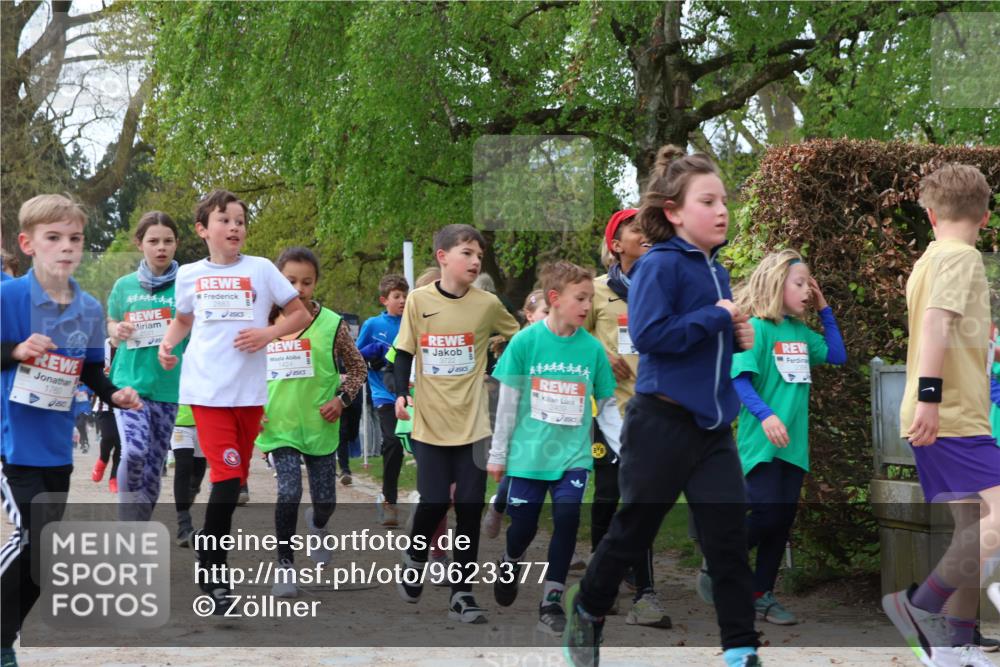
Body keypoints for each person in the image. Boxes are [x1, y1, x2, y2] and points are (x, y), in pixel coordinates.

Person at [563, 146, 761, 667]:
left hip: (713, 429)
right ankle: (587, 609)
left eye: (724, 200)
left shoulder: (716, 272)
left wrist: (735, 337)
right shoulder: (660, 264)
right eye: (707, 201)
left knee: (728, 542)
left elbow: (703, 337)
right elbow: (650, 335)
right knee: (633, 532)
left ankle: (741, 650)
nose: (722, 210)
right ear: (674, 212)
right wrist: (716, 320)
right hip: (661, 423)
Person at [0, 194, 142, 667]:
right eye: (53, 238)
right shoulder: (8, 297)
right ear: (28, 244)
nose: (66, 247)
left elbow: (91, 371)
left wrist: (115, 392)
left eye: (75, 239)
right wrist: (16, 350)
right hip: (12, 445)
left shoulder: (87, 307)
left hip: (57, 448)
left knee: (45, 554)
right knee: (37, 544)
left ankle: (2, 637)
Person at [158, 189, 311, 615]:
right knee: (226, 480)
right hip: (207, 392)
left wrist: (266, 334)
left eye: (240, 220)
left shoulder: (261, 270)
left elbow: (300, 314)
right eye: (224, 220)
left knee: (234, 480)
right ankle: (215, 574)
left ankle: (208, 552)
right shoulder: (188, 274)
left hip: (249, 395)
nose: (235, 227)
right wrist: (168, 345)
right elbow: (184, 318)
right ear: (203, 229)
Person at [882, 163, 1000, 667]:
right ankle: (917, 606)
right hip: (949, 414)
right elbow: (935, 326)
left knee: (972, 532)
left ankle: (958, 643)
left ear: (930, 214)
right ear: (987, 214)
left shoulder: (930, 258)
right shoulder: (962, 256)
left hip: (950, 411)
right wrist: (931, 397)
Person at [393, 224, 519, 624]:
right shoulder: (418, 300)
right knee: (433, 502)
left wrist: (507, 366)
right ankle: (415, 556)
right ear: (443, 257)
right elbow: (403, 353)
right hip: (430, 422)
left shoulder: (487, 304)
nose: (476, 259)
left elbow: (520, 337)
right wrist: (401, 392)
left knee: (468, 507)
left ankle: (462, 594)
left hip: (474, 425)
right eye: (467, 252)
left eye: (479, 253)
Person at [487, 261, 615, 635]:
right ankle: (511, 560)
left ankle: (552, 601)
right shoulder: (526, 342)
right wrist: (498, 454)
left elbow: (606, 407)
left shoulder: (592, 349)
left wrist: (625, 447)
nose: (588, 305)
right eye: (581, 298)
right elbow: (507, 404)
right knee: (522, 527)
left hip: (573, 455)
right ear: (555, 299)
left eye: (591, 298)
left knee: (568, 519)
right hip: (528, 456)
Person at [724, 249, 846, 625]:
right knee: (764, 515)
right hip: (761, 442)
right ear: (777, 285)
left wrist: (825, 309)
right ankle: (721, 559)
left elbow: (838, 356)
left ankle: (761, 594)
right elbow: (739, 380)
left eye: (810, 284)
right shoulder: (757, 329)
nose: (807, 290)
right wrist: (767, 416)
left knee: (781, 522)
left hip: (794, 447)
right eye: (800, 284)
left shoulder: (802, 334)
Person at [256, 247, 365, 597]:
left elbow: (358, 368)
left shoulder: (332, 324)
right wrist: (252, 408)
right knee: (288, 491)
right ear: (276, 281)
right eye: (290, 281)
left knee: (325, 502)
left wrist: (341, 399)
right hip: (279, 424)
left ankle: (317, 526)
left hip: (320, 423)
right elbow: (243, 368)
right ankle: (285, 567)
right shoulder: (261, 322)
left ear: (316, 283)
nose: (299, 288)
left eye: (307, 282)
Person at [106, 211, 187, 521]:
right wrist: (116, 330)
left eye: (168, 241)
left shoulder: (186, 284)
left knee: (154, 470)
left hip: (168, 386)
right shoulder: (124, 286)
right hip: (129, 383)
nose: (161, 247)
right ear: (139, 244)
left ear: (177, 243)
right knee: (135, 452)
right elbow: (111, 322)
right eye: (153, 241)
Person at [483, 289, 549, 541]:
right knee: (516, 472)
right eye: (545, 312)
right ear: (530, 315)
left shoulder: (563, 342)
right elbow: (499, 386)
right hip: (520, 423)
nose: (549, 317)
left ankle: (564, 538)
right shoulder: (521, 344)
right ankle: (499, 505)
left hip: (551, 423)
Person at [356, 273, 409, 526]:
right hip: (383, 394)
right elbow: (355, 355)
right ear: (384, 300)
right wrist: (371, 359)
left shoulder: (412, 323)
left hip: (411, 393)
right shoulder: (373, 325)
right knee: (393, 441)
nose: (402, 300)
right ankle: (389, 500)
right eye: (397, 296)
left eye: (405, 296)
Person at [172, 404, 206, 547]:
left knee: (198, 472)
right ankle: (184, 525)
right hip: (178, 423)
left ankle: (191, 491)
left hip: (204, 423)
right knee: (183, 465)